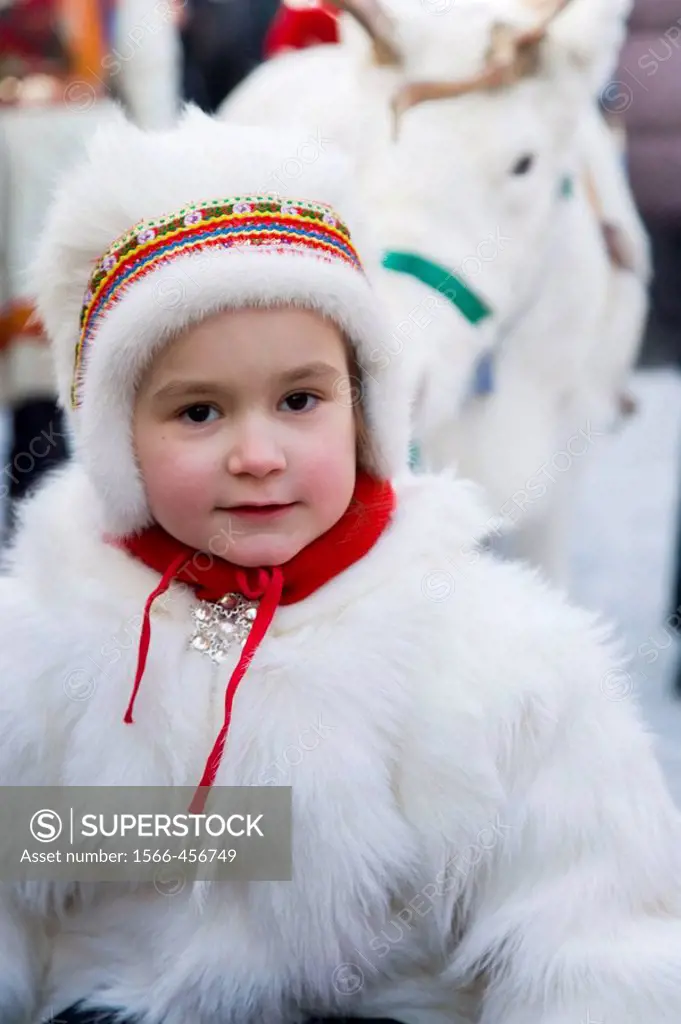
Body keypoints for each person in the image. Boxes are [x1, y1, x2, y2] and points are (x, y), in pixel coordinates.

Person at [3, 106, 681, 1024]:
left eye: (299, 399)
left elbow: (597, 936)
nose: (257, 453)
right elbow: (22, 869)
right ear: (116, 439)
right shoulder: (46, 635)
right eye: (198, 412)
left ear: (364, 408)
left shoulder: (492, 653)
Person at [0, 0, 181, 521]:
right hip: (53, 161)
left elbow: (149, 84)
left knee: (50, 383)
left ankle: (40, 532)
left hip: (60, 170)